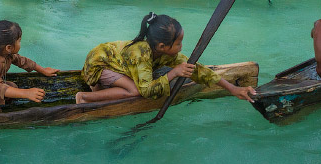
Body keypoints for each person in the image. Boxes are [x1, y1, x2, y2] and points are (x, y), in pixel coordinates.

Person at [75, 13, 256, 104]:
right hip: (98, 64)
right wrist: (173, 73)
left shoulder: (166, 53)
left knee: (143, 80)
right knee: (135, 92)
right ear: (162, 47)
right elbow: (146, 91)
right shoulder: (140, 54)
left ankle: (98, 88)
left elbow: (197, 69)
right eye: (178, 44)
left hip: (115, 64)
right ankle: (84, 97)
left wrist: (233, 89)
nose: (181, 47)